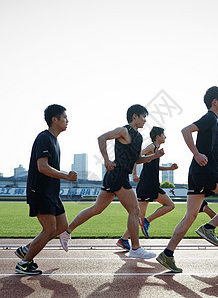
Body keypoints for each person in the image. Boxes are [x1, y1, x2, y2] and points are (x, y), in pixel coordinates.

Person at [156, 86, 218, 273]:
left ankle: (167, 254)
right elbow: (185, 130)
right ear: (215, 102)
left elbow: (210, 150)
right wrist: (196, 154)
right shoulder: (209, 118)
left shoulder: (213, 122)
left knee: (190, 216)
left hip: (197, 173)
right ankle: (209, 227)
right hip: (206, 172)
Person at [59, 104, 164, 259]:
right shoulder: (124, 131)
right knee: (134, 210)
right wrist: (106, 160)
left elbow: (136, 159)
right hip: (117, 174)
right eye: (143, 117)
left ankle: (66, 232)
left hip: (117, 175)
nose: (145, 120)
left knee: (96, 209)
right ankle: (135, 248)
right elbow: (102, 138)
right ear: (134, 116)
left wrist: (154, 157)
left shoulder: (139, 137)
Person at [15, 104, 78, 275]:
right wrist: (66, 176)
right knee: (49, 229)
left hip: (52, 193)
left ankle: (27, 250)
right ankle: (24, 263)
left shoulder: (54, 140)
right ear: (54, 119)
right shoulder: (44, 138)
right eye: (64, 117)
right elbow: (42, 167)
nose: (67, 120)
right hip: (40, 191)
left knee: (62, 226)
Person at [116, 127, 178, 251]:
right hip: (149, 184)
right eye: (163, 134)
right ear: (157, 135)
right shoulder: (151, 147)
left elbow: (154, 166)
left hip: (149, 184)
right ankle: (147, 221)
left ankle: (123, 240)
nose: (165, 137)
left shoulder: (156, 150)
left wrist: (169, 169)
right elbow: (136, 158)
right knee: (170, 205)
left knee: (139, 216)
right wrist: (134, 174)